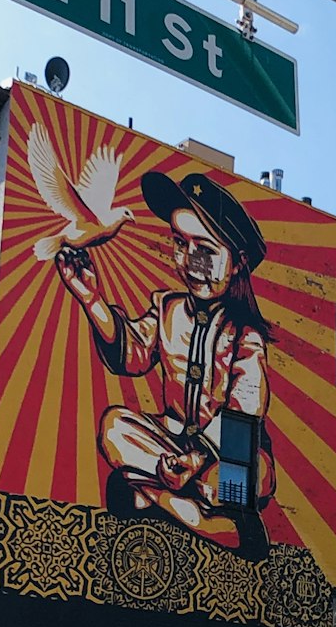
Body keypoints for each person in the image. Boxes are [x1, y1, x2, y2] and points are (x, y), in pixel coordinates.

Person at [54, 169, 276, 560]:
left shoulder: (246, 335)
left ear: (238, 263)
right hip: (168, 447)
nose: (190, 262)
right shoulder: (167, 307)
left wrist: (196, 459)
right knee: (113, 426)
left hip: (228, 456)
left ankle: (152, 497)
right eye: (179, 244)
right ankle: (196, 516)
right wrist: (90, 299)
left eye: (206, 250)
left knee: (234, 480)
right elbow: (130, 354)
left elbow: (244, 413)